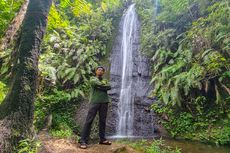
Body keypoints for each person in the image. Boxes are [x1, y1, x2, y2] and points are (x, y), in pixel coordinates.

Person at [79, 66, 112, 149]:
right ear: (96, 71)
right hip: (94, 102)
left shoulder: (105, 80)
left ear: (104, 73)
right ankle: (83, 140)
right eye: (99, 70)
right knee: (89, 120)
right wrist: (103, 86)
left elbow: (109, 86)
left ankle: (102, 139)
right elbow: (96, 84)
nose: (100, 71)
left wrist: (101, 86)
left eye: (102, 70)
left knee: (103, 121)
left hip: (104, 102)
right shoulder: (92, 79)